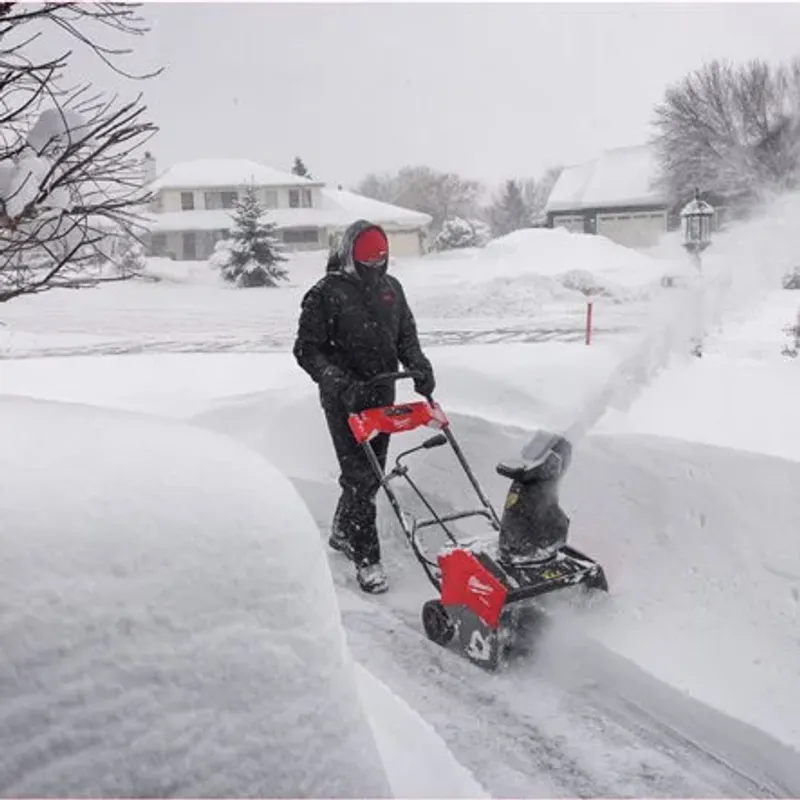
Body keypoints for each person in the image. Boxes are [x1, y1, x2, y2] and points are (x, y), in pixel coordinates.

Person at [293, 219, 435, 594]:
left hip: (382, 393)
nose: (375, 264)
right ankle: (367, 558)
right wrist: (337, 381)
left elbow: (406, 336)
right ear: (351, 254)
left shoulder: (392, 289)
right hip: (344, 399)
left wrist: (419, 366)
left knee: (369, 475)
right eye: (367, 257)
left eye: (381, 257)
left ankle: (342, 530)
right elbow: (306, 350)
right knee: (360, 477)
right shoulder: (325, 293)